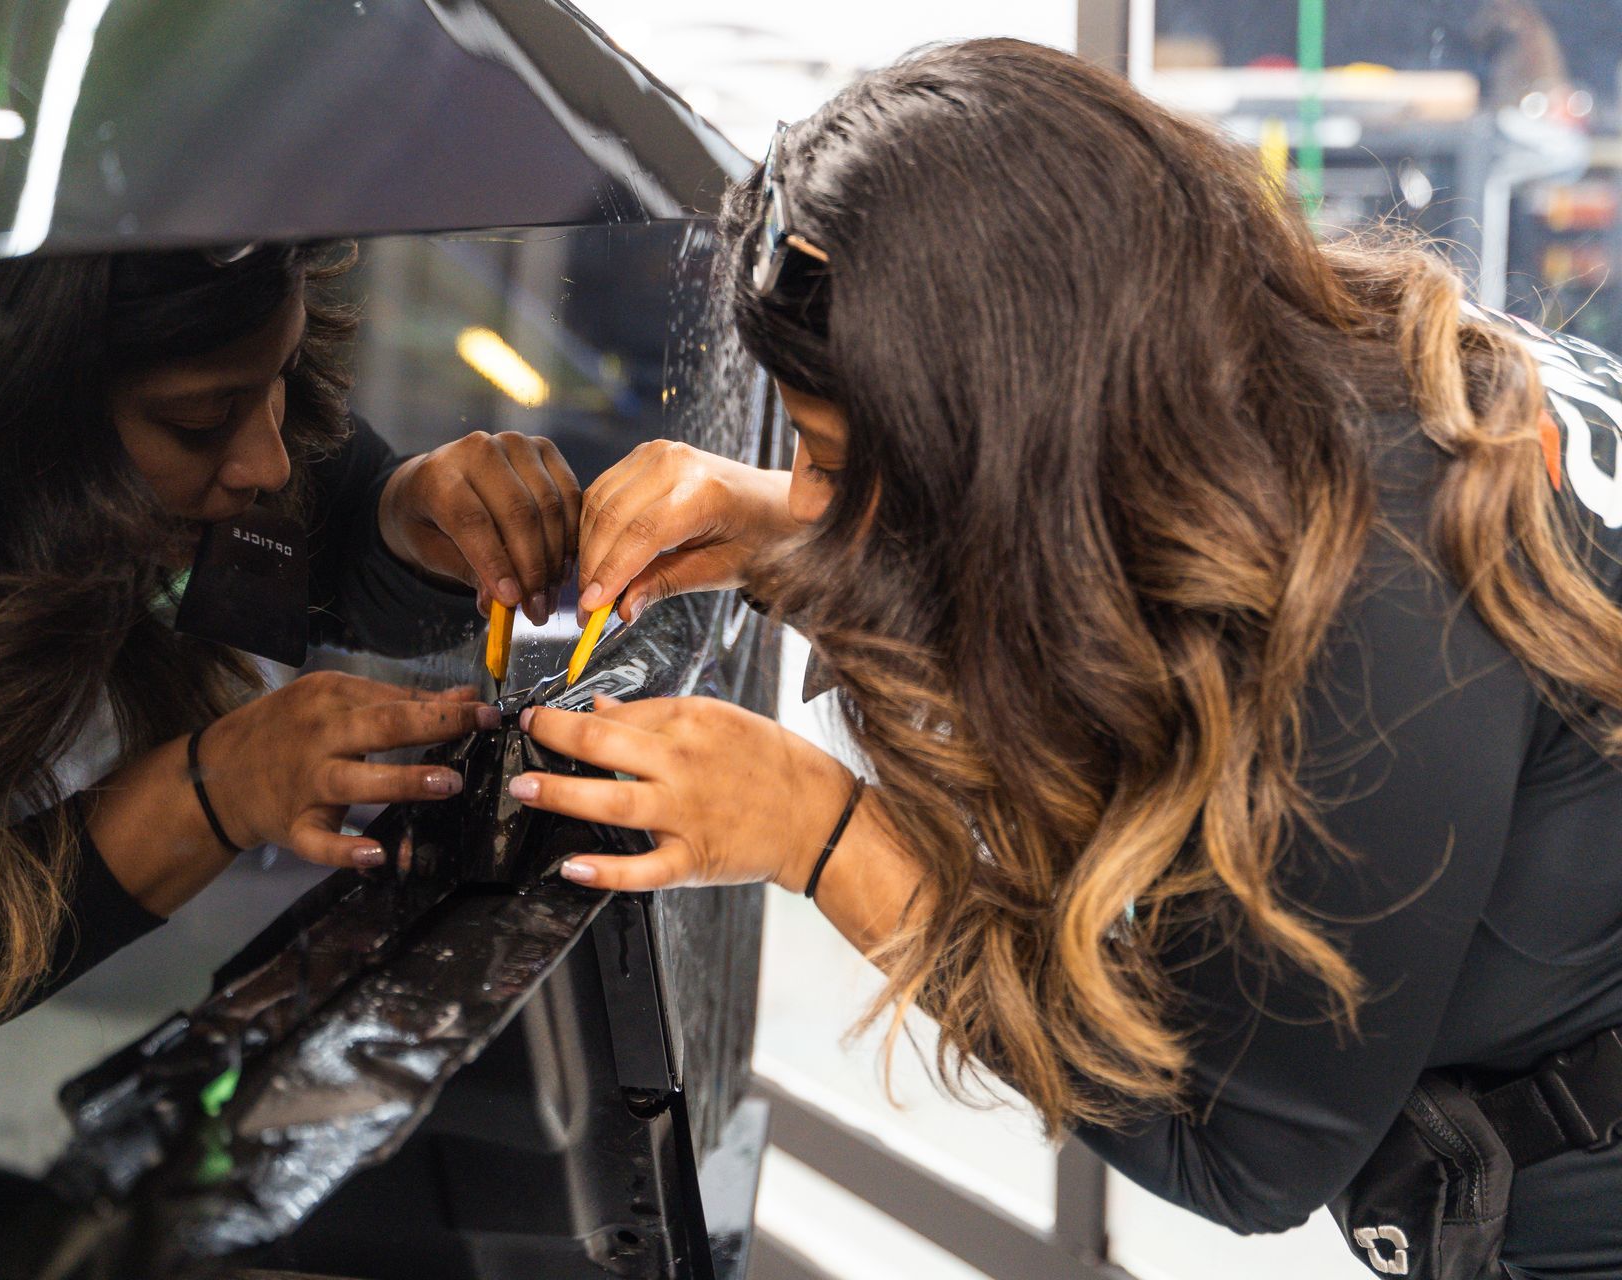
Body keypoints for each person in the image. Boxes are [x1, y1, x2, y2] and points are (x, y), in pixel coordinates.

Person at [513, 39, 1622, 1276]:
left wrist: (824, 836)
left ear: (1011, 434)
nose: (809, 488)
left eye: (833, 456)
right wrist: (794, 528)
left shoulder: (1378, 614)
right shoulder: (1312, 372)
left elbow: (1238, 1151)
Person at [0, 242, 579, 1275]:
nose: (269, 462)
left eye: (282, 385)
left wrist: (407, 511)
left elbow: (306, 524)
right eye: (203, 420)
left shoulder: (133, 388)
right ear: (15, 403)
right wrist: (200, 796)